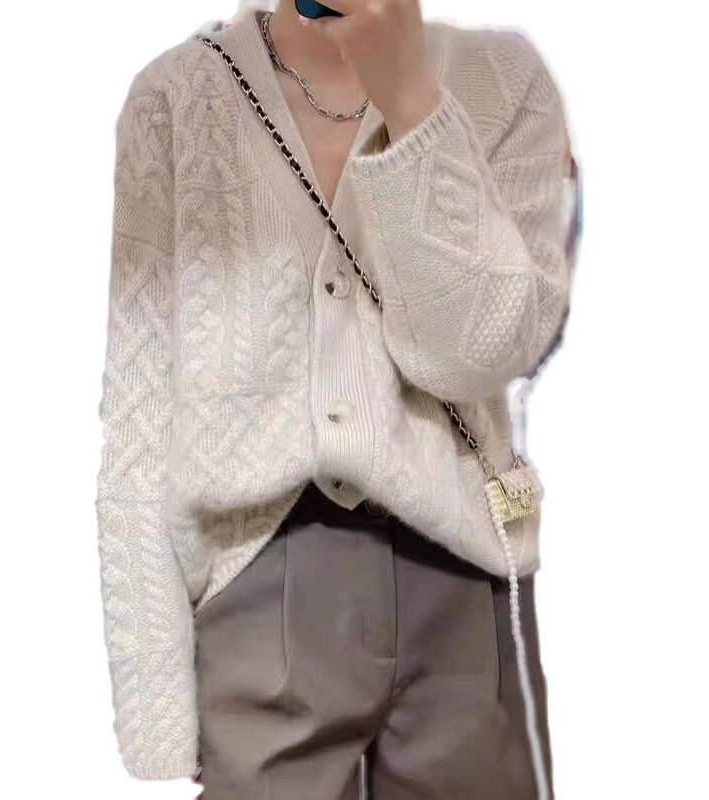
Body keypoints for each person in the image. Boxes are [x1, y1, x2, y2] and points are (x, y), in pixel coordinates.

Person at [94, 0, 579, 797]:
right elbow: (138, 410)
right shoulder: (178, 96)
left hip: (462, 581)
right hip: (255, 581)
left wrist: (412, 103)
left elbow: (481, 355)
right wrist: (155, 700)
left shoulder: (505, 81)